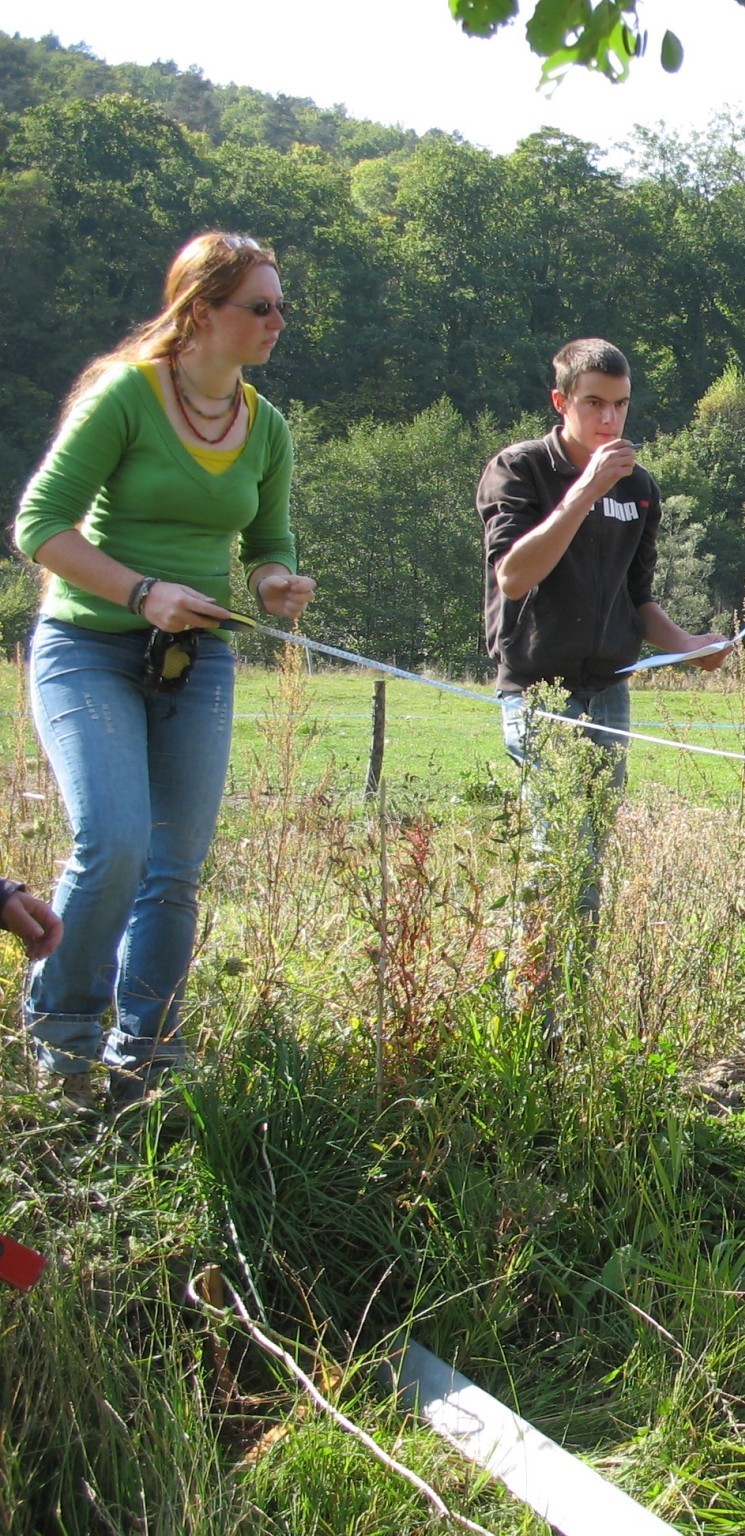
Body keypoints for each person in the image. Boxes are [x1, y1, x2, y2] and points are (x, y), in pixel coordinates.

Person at [13, 231, 315, 1112]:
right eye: (259, 306)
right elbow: (39, 525)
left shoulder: (266, 425)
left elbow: (267, 541)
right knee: (115, 842)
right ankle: (63, 1035)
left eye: (281, 304)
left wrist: (273, 582)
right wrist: (140, 591)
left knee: (175, 864)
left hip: (196, 657)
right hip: (89, 648)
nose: (277, 321)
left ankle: (147, 1052)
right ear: (201, 312)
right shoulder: (126, 397)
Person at [478, 339, 728, 970]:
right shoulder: (520, 469)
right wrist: (584, 491)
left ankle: (575, 1001)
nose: (610, 421)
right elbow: (514, 576)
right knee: (559, 846)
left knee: (589, 849)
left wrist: (689, 646)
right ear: (561, 401)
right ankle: (533, 1003)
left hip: (608, 688)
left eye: (620, 405)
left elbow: (637, 601)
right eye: (594, 404)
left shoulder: (640, 487)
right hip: (538, 689)